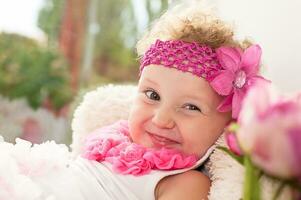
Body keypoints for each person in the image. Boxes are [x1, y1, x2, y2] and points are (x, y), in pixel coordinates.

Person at [0, 2, 267, 200]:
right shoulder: (113, 139)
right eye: (152, 95)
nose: (161, 119)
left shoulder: (183, 183)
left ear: (226, 125)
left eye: (191, 107)